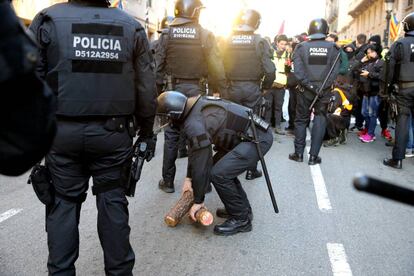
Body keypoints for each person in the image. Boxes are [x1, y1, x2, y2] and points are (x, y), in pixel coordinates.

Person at [29, 0, 157, 274]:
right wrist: (147, 133)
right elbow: (146, 87)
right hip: (113, 136)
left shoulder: (48, 19)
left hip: (61, 135)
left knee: (62, 205)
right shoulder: (131, 27)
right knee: (112, 204)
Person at [156, 91, 273, 236]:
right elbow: (194, 150)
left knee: (219, 174)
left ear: (173, 114)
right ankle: (240, 209)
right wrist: (189, 178)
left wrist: (198, 201)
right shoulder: (193, 109)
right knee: (221, 169)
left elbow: (201, 163)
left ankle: (241, 220)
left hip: (256, 140)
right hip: (247, 137)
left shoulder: (194, 124)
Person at [155, 0, 228, 193]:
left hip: (173, 90)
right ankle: (198, 181)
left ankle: (168, 181)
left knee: (171, 135)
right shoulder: (205, 34)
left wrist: (157, 94)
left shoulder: (167, 34)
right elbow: (217, 68)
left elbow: (158, 67)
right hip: (196, 91)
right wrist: (219, 91)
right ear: (195, 12)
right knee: (197, 136)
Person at [0, 0, 56, 176]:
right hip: (113, 131)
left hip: (65, 130)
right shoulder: (130, 26)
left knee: (64, 197)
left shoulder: (46, 17)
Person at [221, 9, 275, 180]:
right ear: (256, 23)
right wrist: (265, 87)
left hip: (231, 89)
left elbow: (218, 66)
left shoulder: (227, 40)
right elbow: (271, 70)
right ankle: (251, 169)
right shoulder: (260, 41)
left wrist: (222, 88)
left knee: (231, 127)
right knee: (253, 128)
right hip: (252, 89)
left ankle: (225, 166)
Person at [288, 18, 340, 165]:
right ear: (326, 30)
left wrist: (310, 87)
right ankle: (313, 157)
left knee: (301, 120)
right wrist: (322, 88)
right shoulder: (333, 48)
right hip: (324, 91)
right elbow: (334, 72)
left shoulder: (301, 47)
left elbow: (298, 72)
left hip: (305, 89)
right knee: (320, 120)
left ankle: (298, 154)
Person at [383, 12, 414, 169]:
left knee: (403, 122)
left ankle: (398, 159)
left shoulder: (400, 44)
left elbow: (389, 69)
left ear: (406, 26)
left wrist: (388, 88)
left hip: (405, 89)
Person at [351, 44, 384, 143]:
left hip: (375, 92)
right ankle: (367, 130)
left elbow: (382, 76)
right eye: (368, 53)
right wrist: (361, 61)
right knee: (364, 113)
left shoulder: (381, 62)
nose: (370, 54)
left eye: (372, 52)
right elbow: (354, 70)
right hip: (365, 91)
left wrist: (369, 74)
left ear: (377, 52)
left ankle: (371, 134)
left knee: (372, 114)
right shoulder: (367, 62)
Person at [264, 34, 290, 135]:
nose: (283, 46)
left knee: (278, 107)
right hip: (270, 84)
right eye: (281, 44)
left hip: (281, 86)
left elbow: (288, 71)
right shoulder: (271, 53)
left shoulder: (287, 55)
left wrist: (288, 66)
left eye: (285, 44)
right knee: (268, 106)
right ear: (277, 43)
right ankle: (266, 125)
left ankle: (278, 126)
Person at [323, 79, 353, 147]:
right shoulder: (346, 90)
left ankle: (334, 138)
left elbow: (333, 108)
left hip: (338, 117)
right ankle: (343, 131)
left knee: (327, 115)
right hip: (346, 117)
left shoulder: (336, 92)